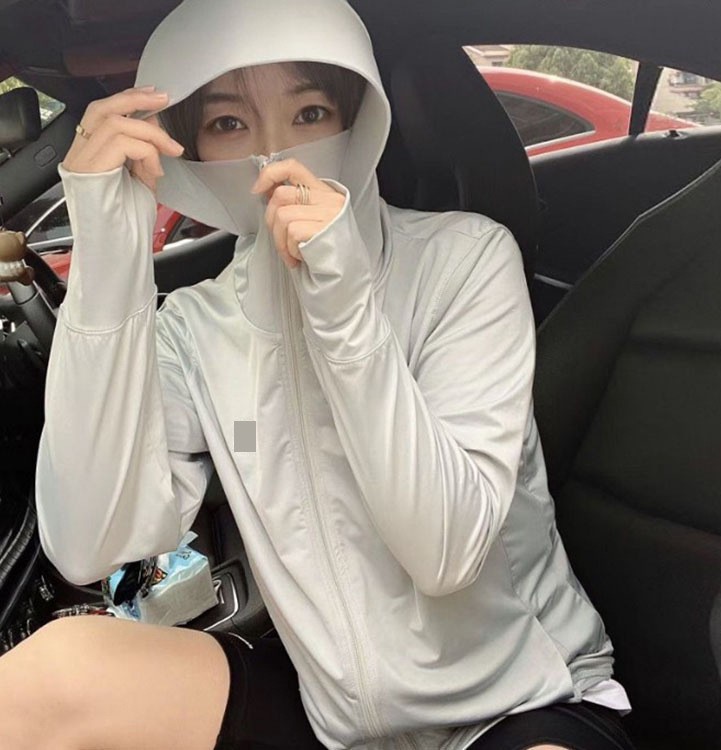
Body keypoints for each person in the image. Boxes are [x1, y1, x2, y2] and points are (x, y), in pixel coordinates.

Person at [0, 0, 635, 748]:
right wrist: (109, 261)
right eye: (229, 124)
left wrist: (344, 311)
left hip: (523, 701)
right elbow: (90, 545)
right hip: (337, 726)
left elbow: (447, 553)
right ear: (192, 149)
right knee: (52, 679)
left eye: (309, 113)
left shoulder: (466, 261)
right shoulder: (196, 327)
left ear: (358, 121)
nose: (273, 156)